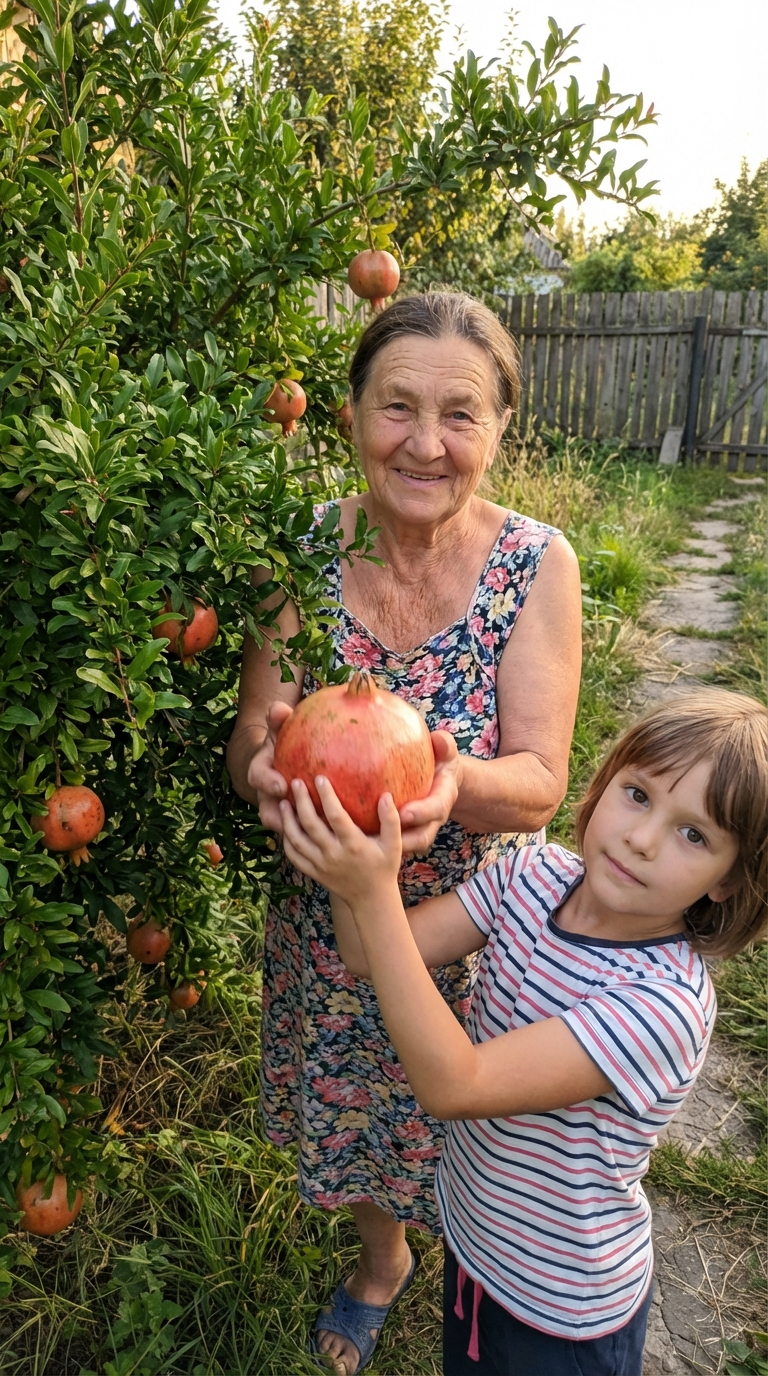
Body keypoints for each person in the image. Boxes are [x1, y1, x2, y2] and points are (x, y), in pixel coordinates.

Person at [226, 292, 582, 1372]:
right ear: (350, 415)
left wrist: (451, 783)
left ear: (499, 429)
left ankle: (485, 1260)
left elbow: (542, 782)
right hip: (332, 913)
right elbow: (253, 736)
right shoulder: (301, 551)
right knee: (357, 1115)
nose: (426, 442)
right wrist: (266, 778)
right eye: (397, 407)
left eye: (460, 414)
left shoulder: (537, 564)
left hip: (472, 922)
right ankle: (385, 1258)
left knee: (477, 1123)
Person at [278, 688, 768, 1375]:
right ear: (603, 785)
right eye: (638, 795)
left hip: (560, 1310)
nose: (643, 838)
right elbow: (367, 952)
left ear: (729, 880)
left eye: (695, 835)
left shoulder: (663, 1005)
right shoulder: (530, 877)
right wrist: (347, 831)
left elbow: (456, 1085)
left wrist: (372, 889)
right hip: (476, 1245)